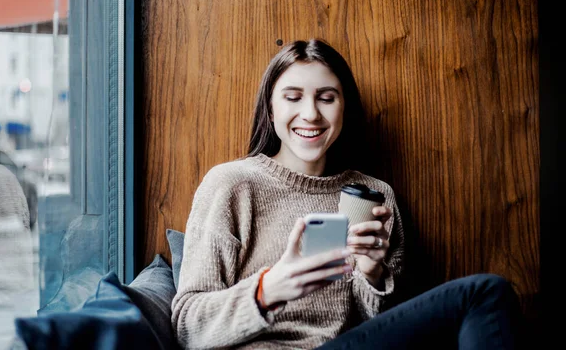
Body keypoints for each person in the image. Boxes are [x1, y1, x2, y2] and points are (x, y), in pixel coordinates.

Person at [170, 39, 523, 349]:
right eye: (292, 97)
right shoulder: (231, 185)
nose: (310, 114)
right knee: (483, 291)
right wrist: (269, 288)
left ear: (344, 108)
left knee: (487, 293)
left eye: (326, 98)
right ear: (271, 107)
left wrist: (371, 274)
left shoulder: (375, 195)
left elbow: (379, 328)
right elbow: (188, 327)